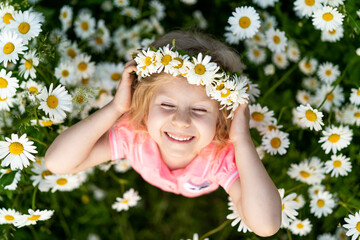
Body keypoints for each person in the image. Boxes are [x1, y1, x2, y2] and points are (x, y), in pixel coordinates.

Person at [45, 30, 281, 237]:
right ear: (144, 107)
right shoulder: (133, 134)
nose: (180, 121)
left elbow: (266, 225)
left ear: (222, 119)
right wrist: (116, 108)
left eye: (199, 109)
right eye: (166, 105)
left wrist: (242, 140)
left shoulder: (221, 158)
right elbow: (57, 162)